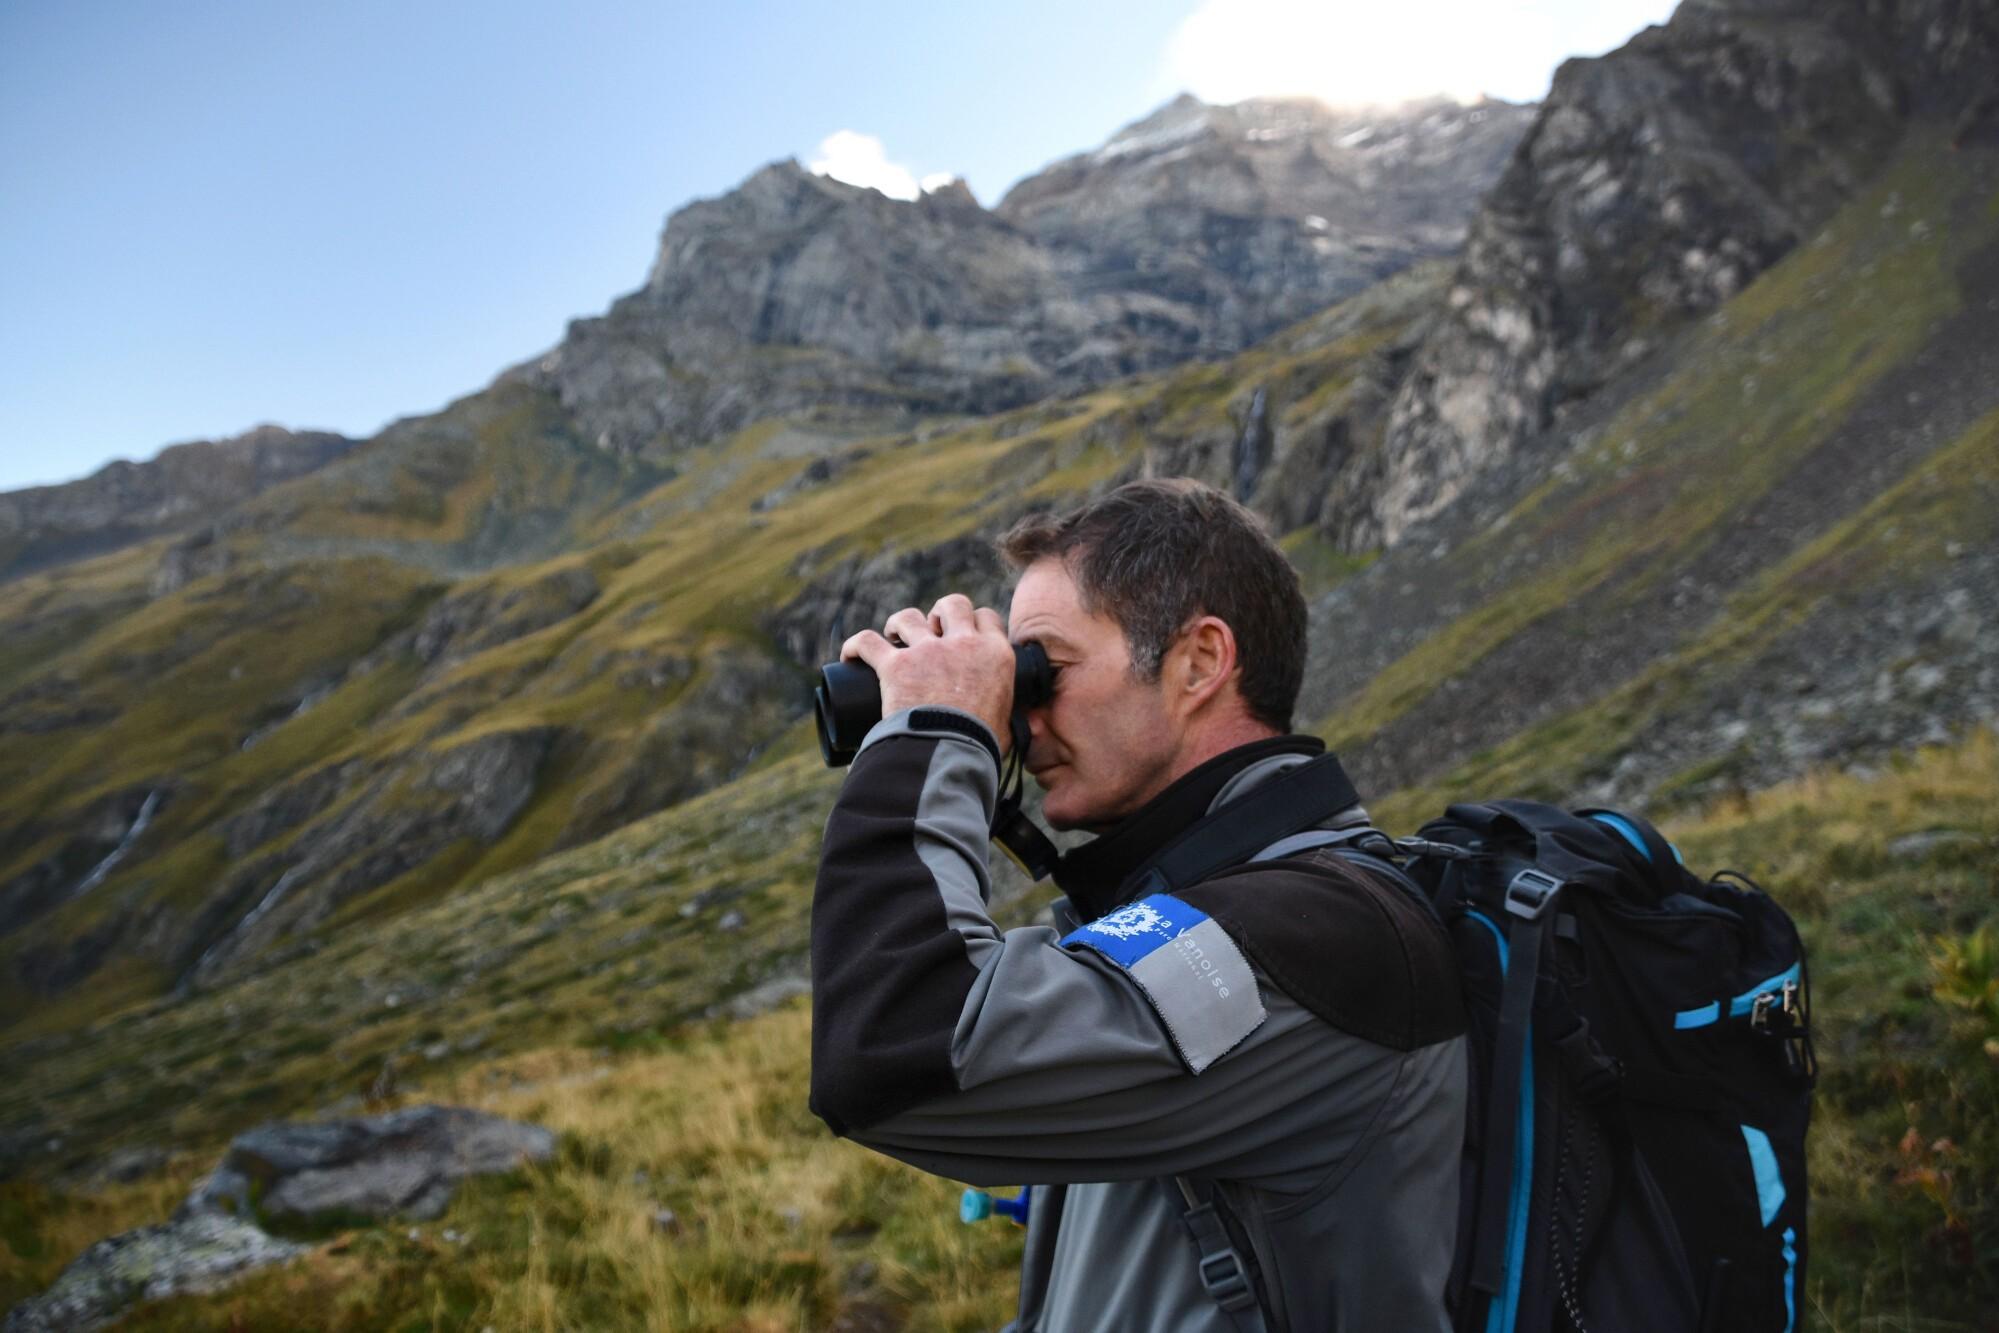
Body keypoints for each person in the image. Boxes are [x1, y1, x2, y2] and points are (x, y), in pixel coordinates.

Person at [809, 478, 1467, 1331]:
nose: (1024, 719)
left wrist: (937, 728)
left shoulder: (1317, 937)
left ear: (1198, 662)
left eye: (1043, 670)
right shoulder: (1188, 911)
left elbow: (896, 1049)